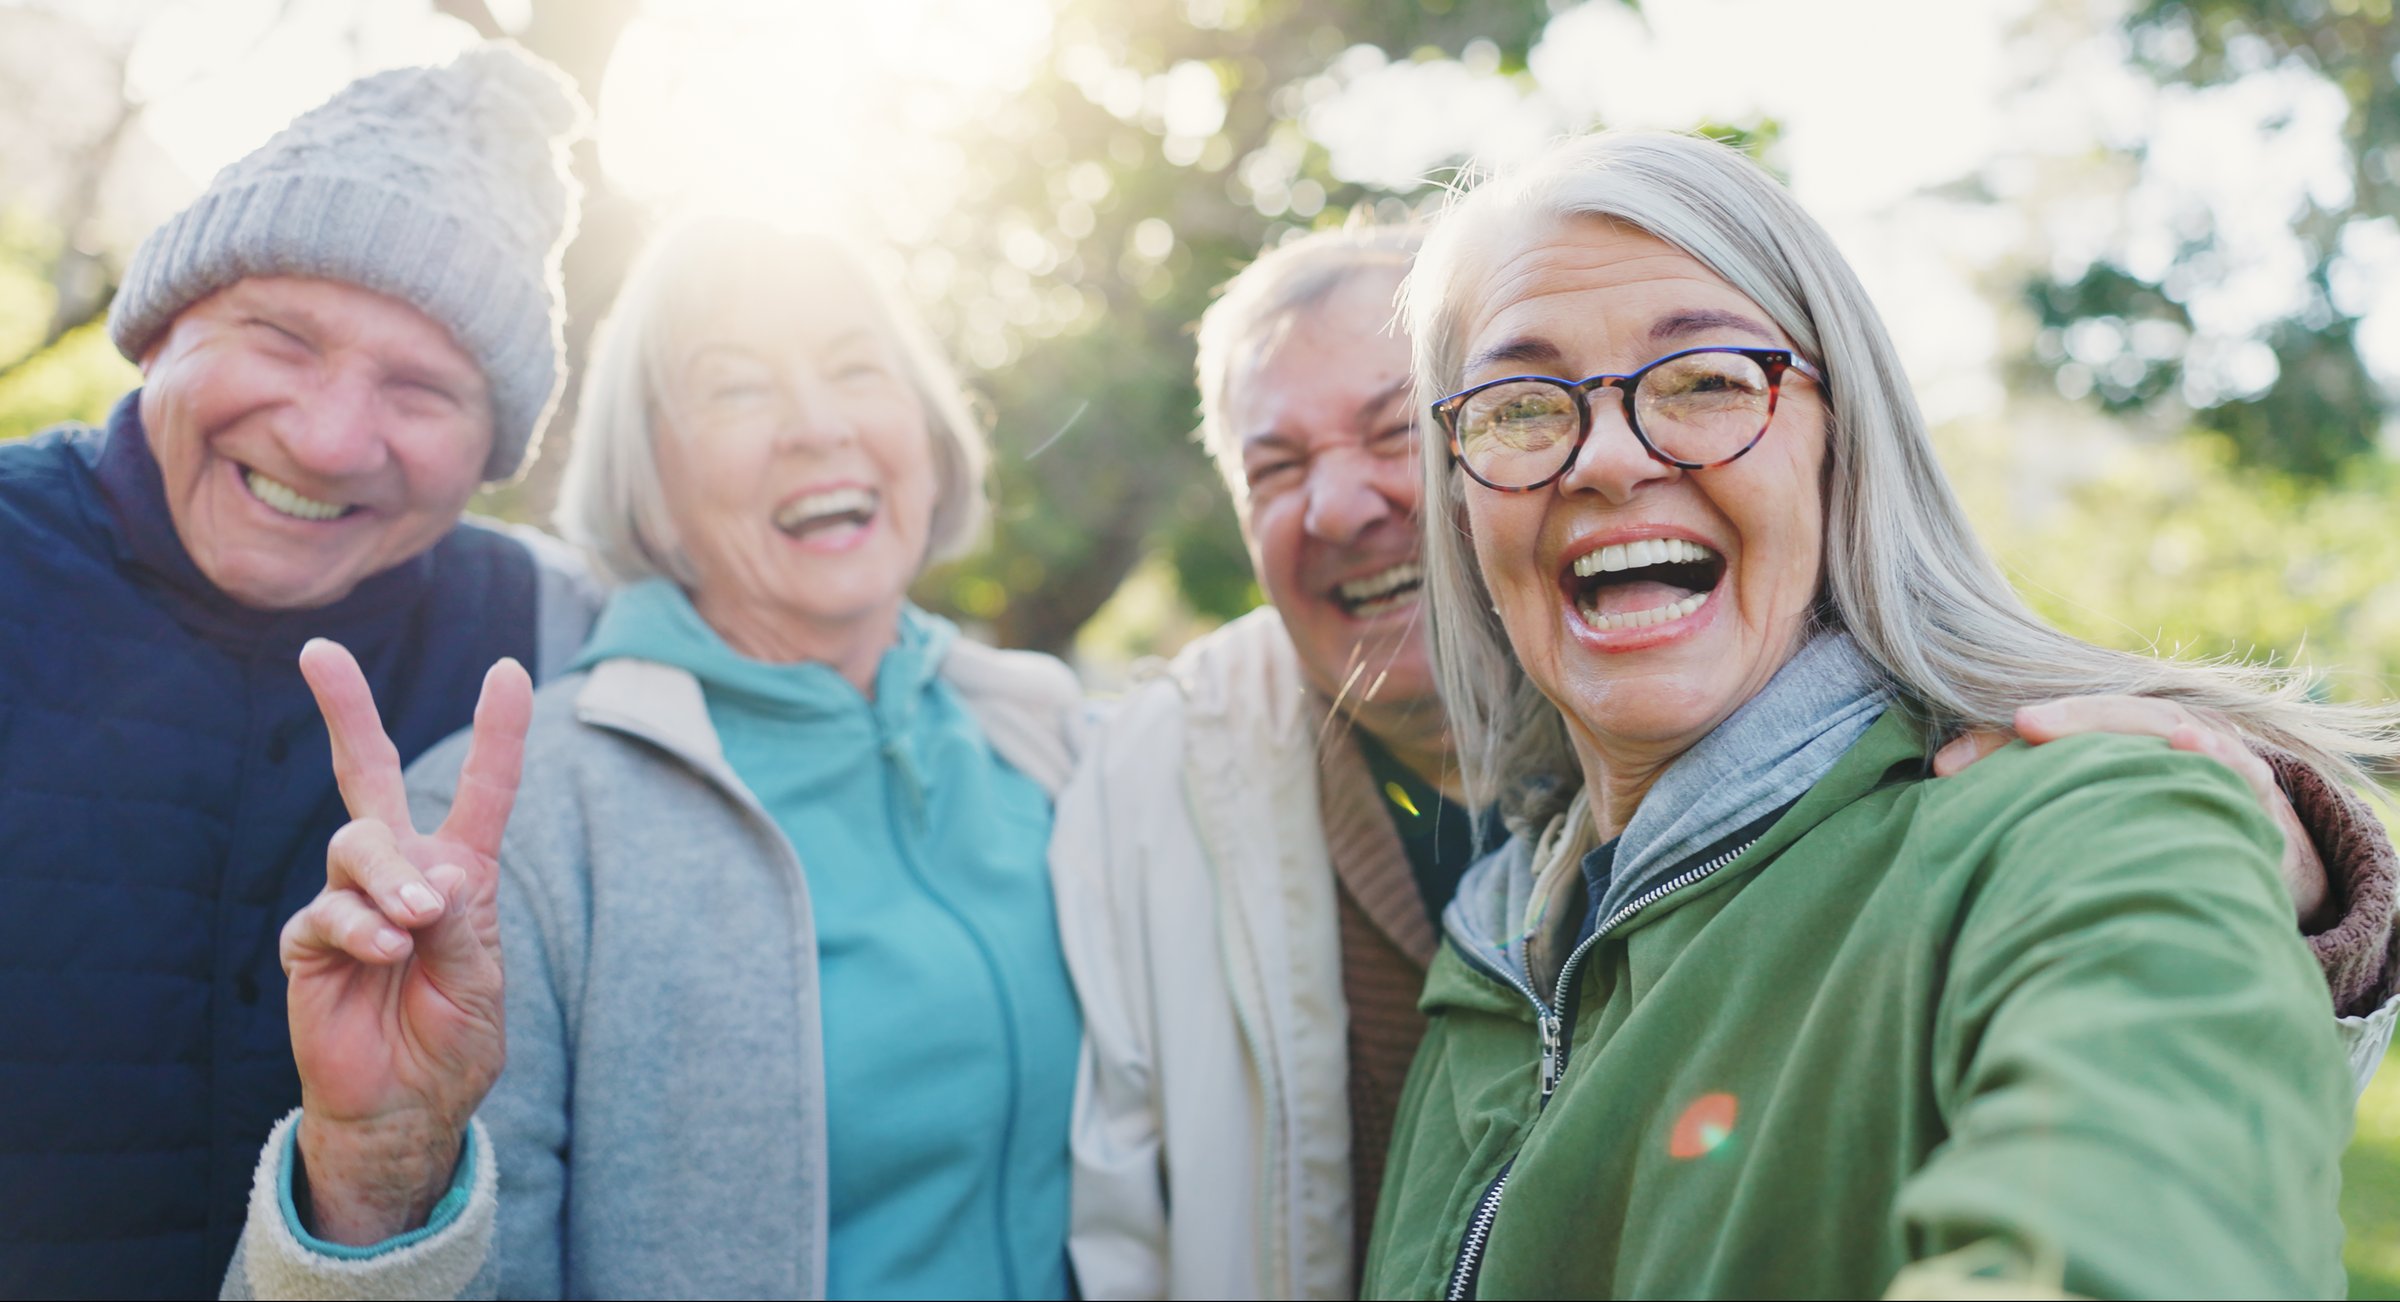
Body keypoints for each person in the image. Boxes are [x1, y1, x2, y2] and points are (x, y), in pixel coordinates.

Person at [1057, 225, 2399, 1298]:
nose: (1609, 454)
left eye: (1705, 380)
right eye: (1527, 405)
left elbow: (2140, 1184)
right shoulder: (1498, 946)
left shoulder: (2061, 808)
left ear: (1845, 439)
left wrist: (2251, 845)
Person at [218, 214, 1090, 1299]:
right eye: (736, 388)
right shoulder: (515, 828)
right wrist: (375, 1177)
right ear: (651, 474)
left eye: (856, 368)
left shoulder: (1051, 739)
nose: (817, 427)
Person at [0, 45, 593, 1299]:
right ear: (160, 333)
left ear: (492, 447)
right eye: (281, 337)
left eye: (423, 388)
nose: (328, 439)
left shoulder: (549, 631)